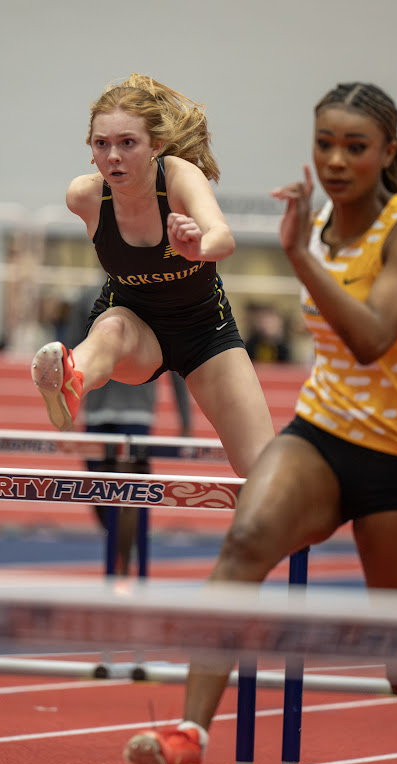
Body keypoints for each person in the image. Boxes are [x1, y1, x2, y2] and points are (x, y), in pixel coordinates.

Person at [122, 82, 397, 764]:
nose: (334, 159)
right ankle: (188, 738)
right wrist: (293, 247)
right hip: (322, 436)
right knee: (243, 544)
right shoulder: (322, 221)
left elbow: (369, 338)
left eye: (354, 147)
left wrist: (299, 258)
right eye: (323, 142)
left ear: (386, 153)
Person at [31, 73, 274, 479]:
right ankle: (70, 380)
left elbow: (223, 236)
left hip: (205, 332)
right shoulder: (85, 197)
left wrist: (200, 248)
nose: (113, 157)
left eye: (128, 143)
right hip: (135, 325)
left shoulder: (178, 177)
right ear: (91, 150)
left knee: (262, 469)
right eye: (101, 144)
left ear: (155, 146)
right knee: (110, 330)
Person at [64, 283, 192, 575]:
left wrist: (185, 418)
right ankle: (122, 545)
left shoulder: (156, 295)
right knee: (98, 493)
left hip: (137, 411)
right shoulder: (85, 297)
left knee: (133, 492)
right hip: (97, 411)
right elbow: (71, 349)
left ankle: (125, 559)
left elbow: (176, 358)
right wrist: (68, 410)